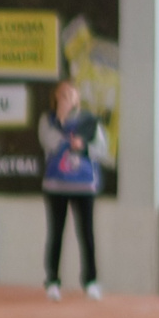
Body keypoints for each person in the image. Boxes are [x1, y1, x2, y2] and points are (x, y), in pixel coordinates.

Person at [39, 78, 110, 301]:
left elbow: (103, 150)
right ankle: (52, 281)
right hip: (56, 185)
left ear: (78, 98)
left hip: (84, 185)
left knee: (86, 234)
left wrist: (85, 146)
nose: (67, 98)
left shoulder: (89, 121)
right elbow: (49, 142)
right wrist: (61, 121)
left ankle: (91, 281)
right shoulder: (47, 120)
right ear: (56, 98)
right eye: (63, 94)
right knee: (56, 234)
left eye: (71, 94)